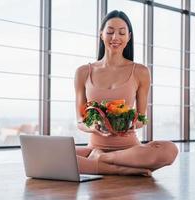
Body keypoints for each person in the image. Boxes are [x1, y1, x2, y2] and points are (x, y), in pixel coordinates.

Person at [74, 10, 178, 176]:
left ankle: (103, 161)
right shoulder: (83, 72)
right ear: (101, 34)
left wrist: (127, 124)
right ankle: (121, 169)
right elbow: (80, 121)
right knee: (50, 154)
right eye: (110, 32)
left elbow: (142, 119)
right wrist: (93, 126)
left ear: (129, 37)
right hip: (94, 148)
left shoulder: (140, 72)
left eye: (122, 32)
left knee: (170, 150)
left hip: (130, 150)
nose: (115, 37)